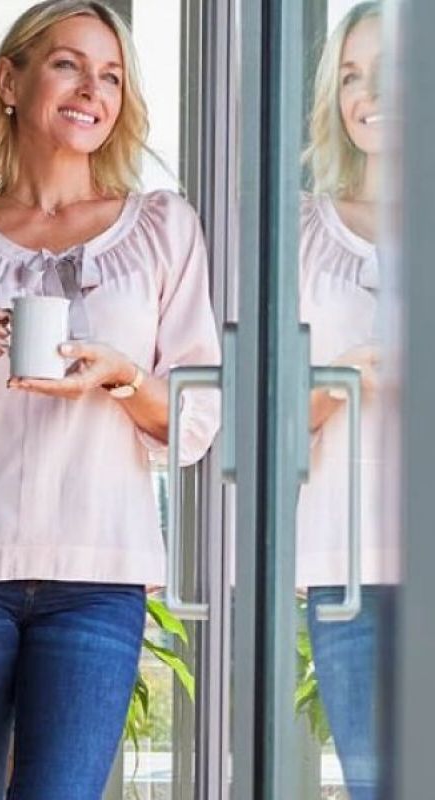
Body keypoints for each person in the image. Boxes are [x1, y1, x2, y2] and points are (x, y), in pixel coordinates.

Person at [0, 1, 221, 797]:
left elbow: (195, 419)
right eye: (68, 63)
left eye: (111, 75)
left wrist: (121, 376)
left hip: (97, 576)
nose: (91, 89)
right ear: (10, 80)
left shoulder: (161, 229)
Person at [298, 5, 396, 799]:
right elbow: (256, 423)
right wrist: (343, 378)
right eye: (352, 75)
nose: (368, 93)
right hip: (347, 568)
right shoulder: (299, 234)